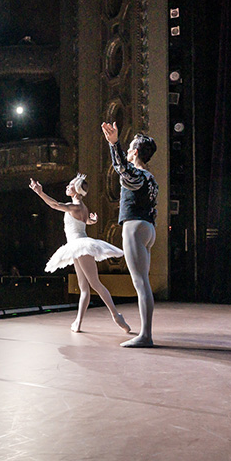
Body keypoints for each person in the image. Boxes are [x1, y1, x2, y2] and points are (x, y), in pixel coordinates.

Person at [30, 174, 131, 334]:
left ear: (76, 191)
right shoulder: (82, 207)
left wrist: (40, 192)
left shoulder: (74, 206)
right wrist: (92, 221)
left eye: (70, 186)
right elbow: (82, 222)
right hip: (77, 246)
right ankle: (78, 322)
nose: (67, 187)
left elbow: (55, 205)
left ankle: (116, 316)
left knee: (94, 284)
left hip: (80, 245)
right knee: (84, 288)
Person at [101, 122, 159, 347]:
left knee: (140, 283)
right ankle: (146, 333)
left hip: (135, 227)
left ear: (134, 151)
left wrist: (114, 143)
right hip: (148, 229)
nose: (127, 151)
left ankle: (146, 335)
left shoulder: (136, 174)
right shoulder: (150, 177)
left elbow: (121, 167)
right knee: (143, 282)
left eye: (129, 148)